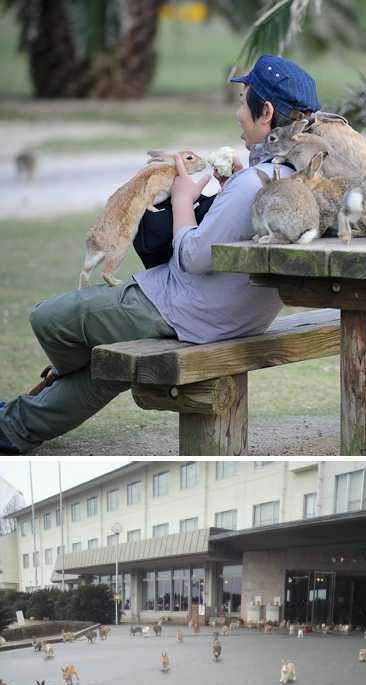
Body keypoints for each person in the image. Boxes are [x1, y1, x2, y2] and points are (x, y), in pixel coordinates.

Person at [0, 54, 321, 454]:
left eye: (243, 100)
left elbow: (192, 257)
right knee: (108, 366)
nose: (238, 113)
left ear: (266, 112)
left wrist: (185, 199)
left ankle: (25, 414)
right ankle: (12, 429)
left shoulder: (250, 186)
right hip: (239, 316)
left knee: (47, 319)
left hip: (183, 311)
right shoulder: (297, 177)